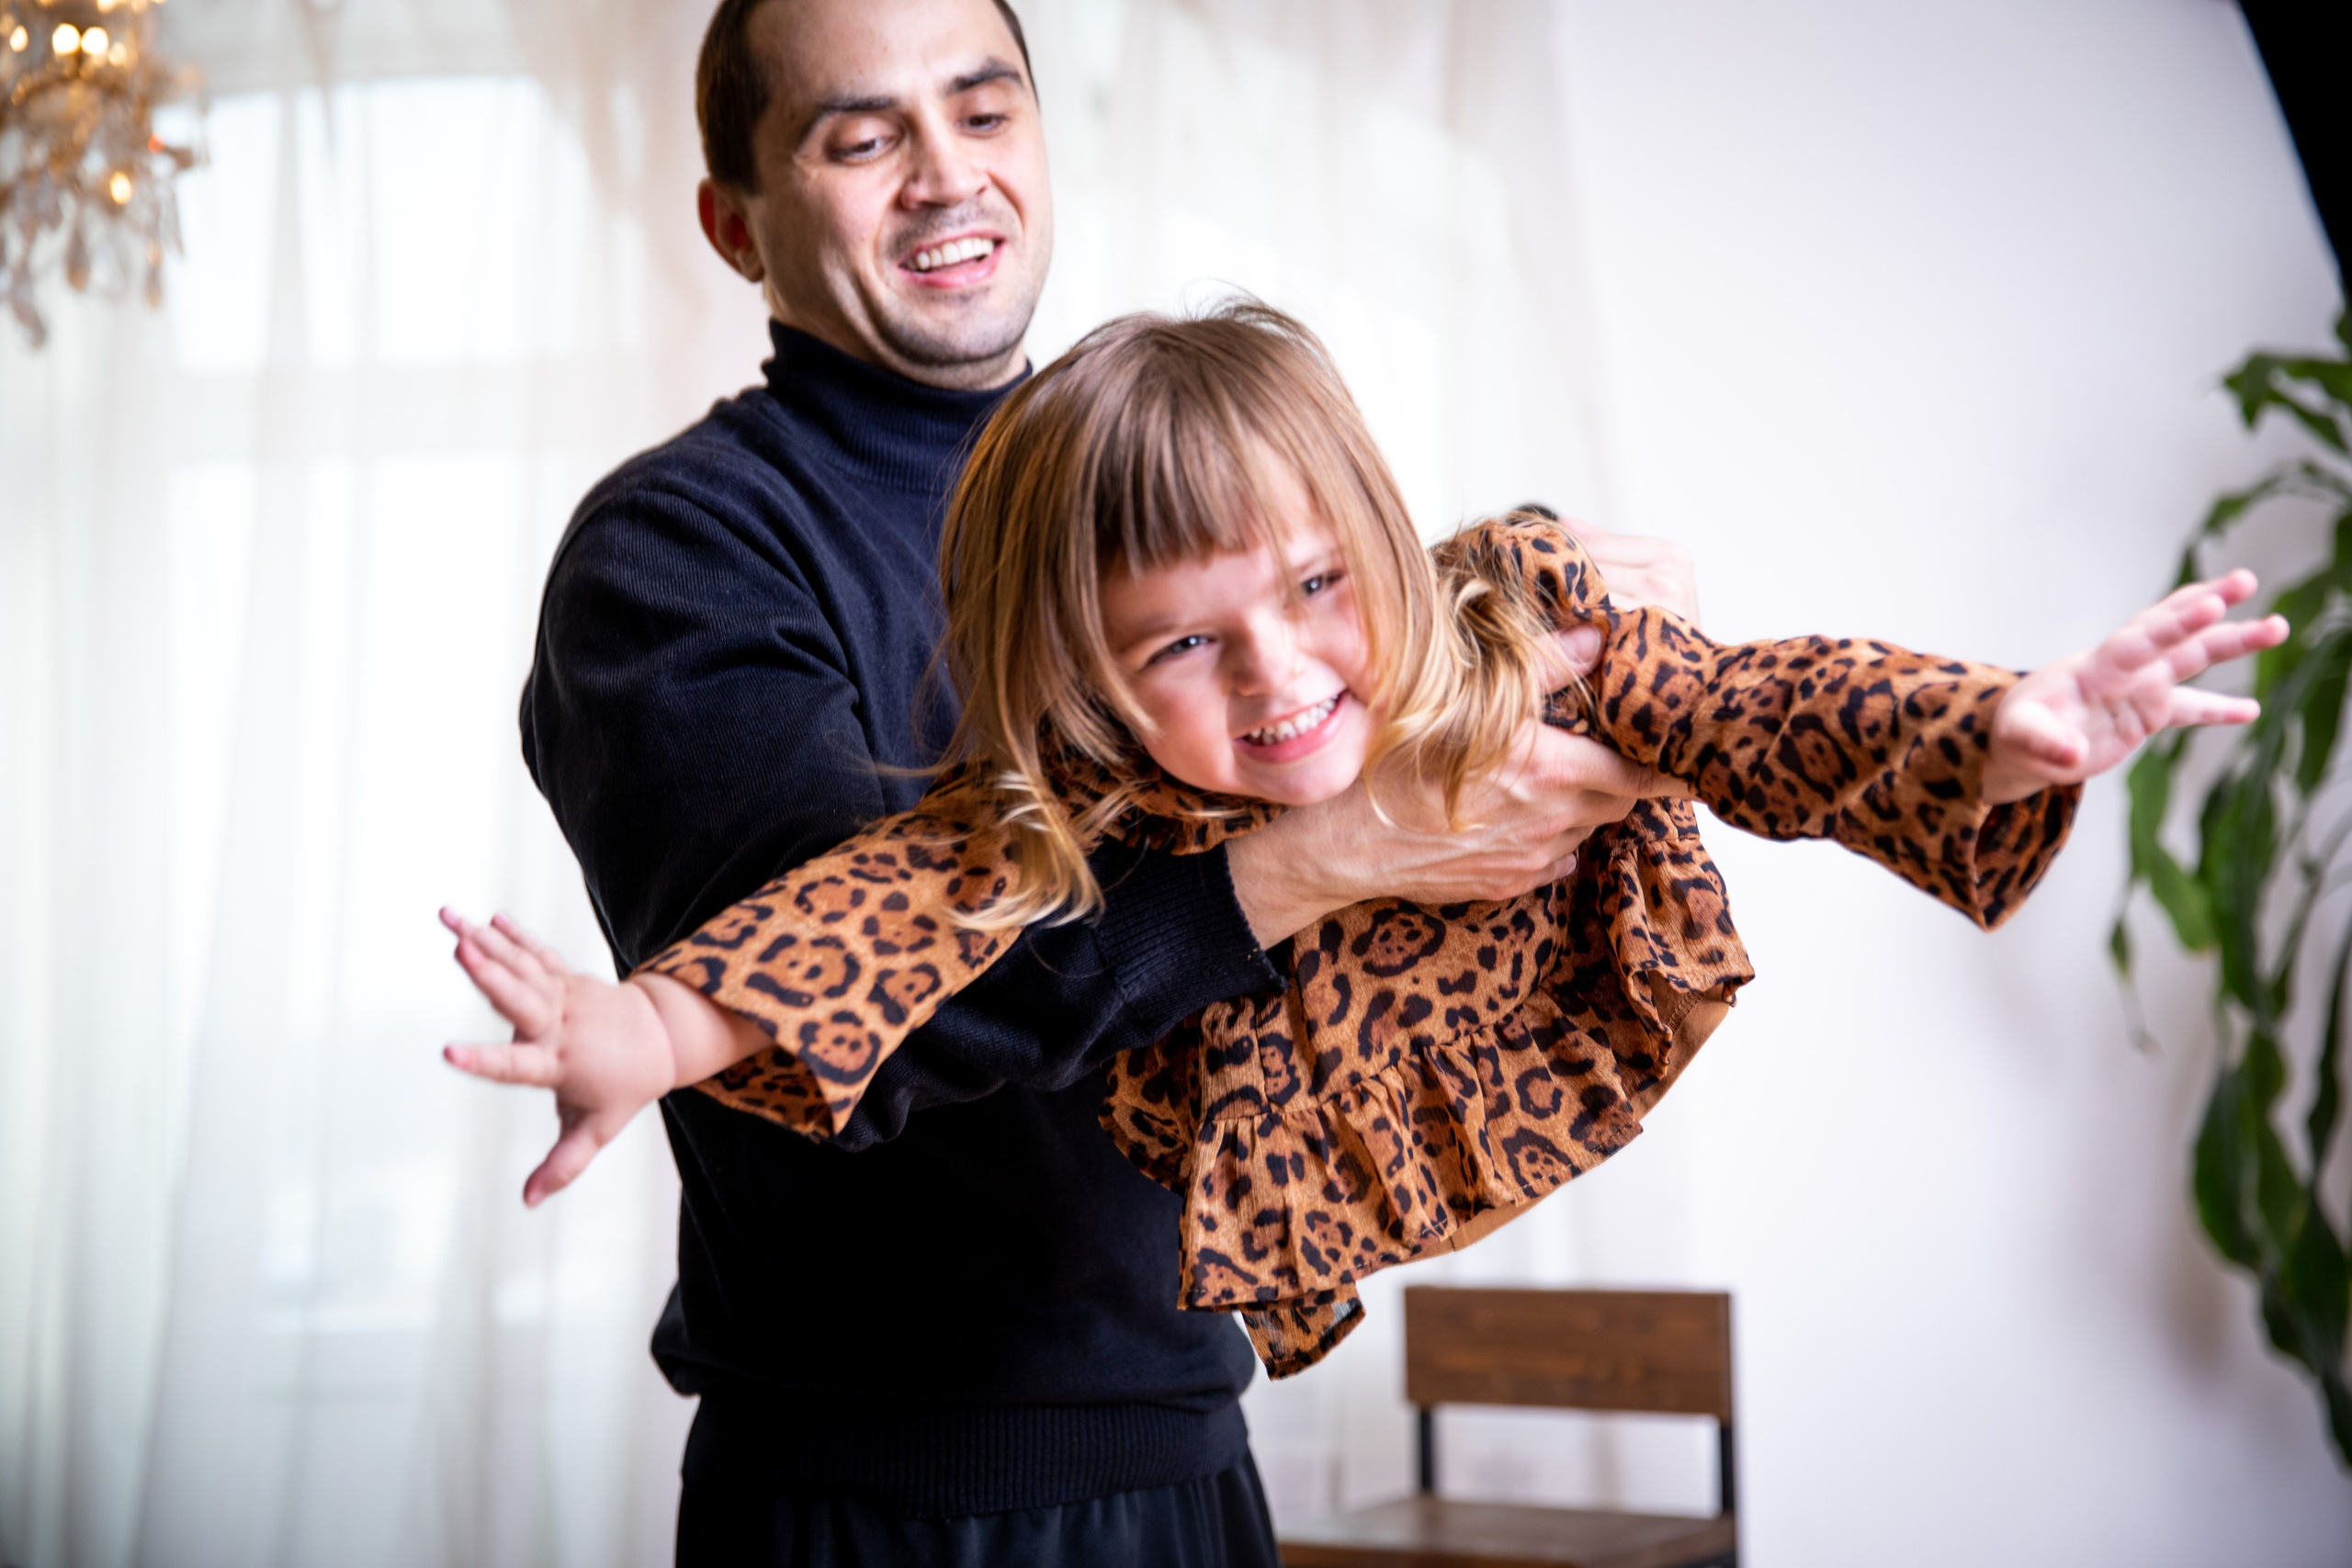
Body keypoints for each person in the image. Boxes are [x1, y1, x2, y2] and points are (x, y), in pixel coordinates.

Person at [457, 304, 2283, 1384]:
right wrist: (645, 1030)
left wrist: (1999, 724)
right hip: (1234, 1172)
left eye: (1321, 586)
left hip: (1524, 1021)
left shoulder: (1509, 628)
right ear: (1087, 672)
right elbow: (868, 918)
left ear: (1381, 540)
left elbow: (1757, 708)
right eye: (1185, 646)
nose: (1279, 673)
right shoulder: (1067, 787)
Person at [512, 0, 1697, 1562]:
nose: (948, 175)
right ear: (736, 226)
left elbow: (1325, 697)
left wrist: (1530, 624)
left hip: (1195, 1453)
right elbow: (848, 1001)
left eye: (984, 112)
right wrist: (1332, 853)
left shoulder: (1143, 491)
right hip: (883, 1502)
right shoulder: (676, 553)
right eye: (862, 139)